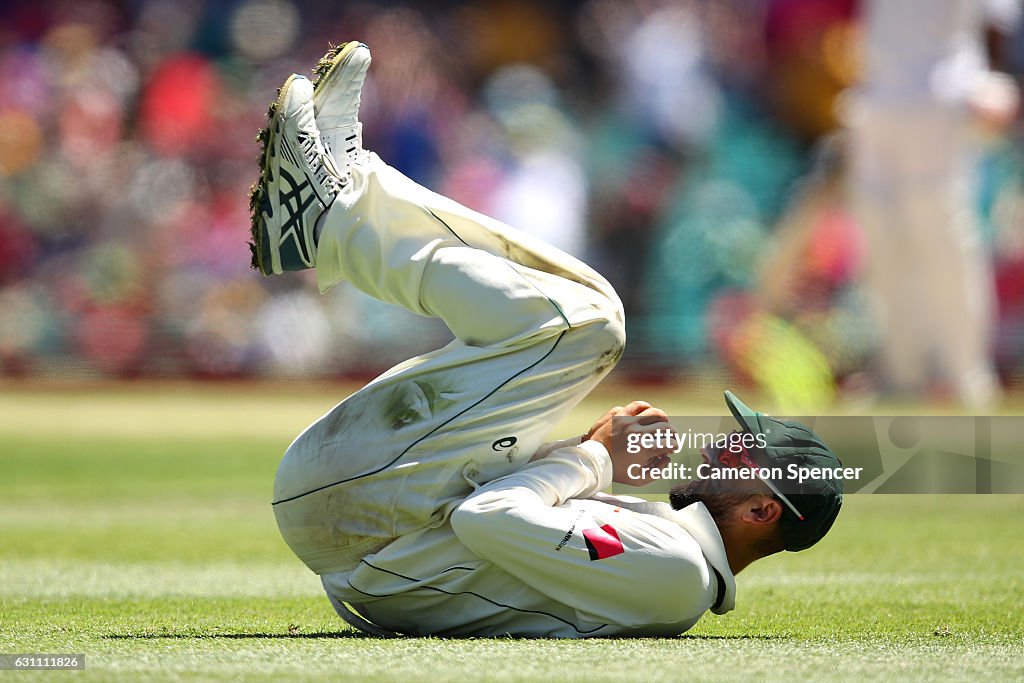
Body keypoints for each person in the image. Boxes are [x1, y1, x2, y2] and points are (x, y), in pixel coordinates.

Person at [249, 43, 844, 638]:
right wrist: (581, 450)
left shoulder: (679, 574)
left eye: (742, 454)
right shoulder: (671, 546)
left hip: (371, 526)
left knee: (591, 327)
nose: (717, 449)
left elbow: (487, 516)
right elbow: (498, 511)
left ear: (764, 510)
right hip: (367, 518)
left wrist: (597, 457)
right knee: (591, 311)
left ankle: (331, 223)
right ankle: (346, 194)